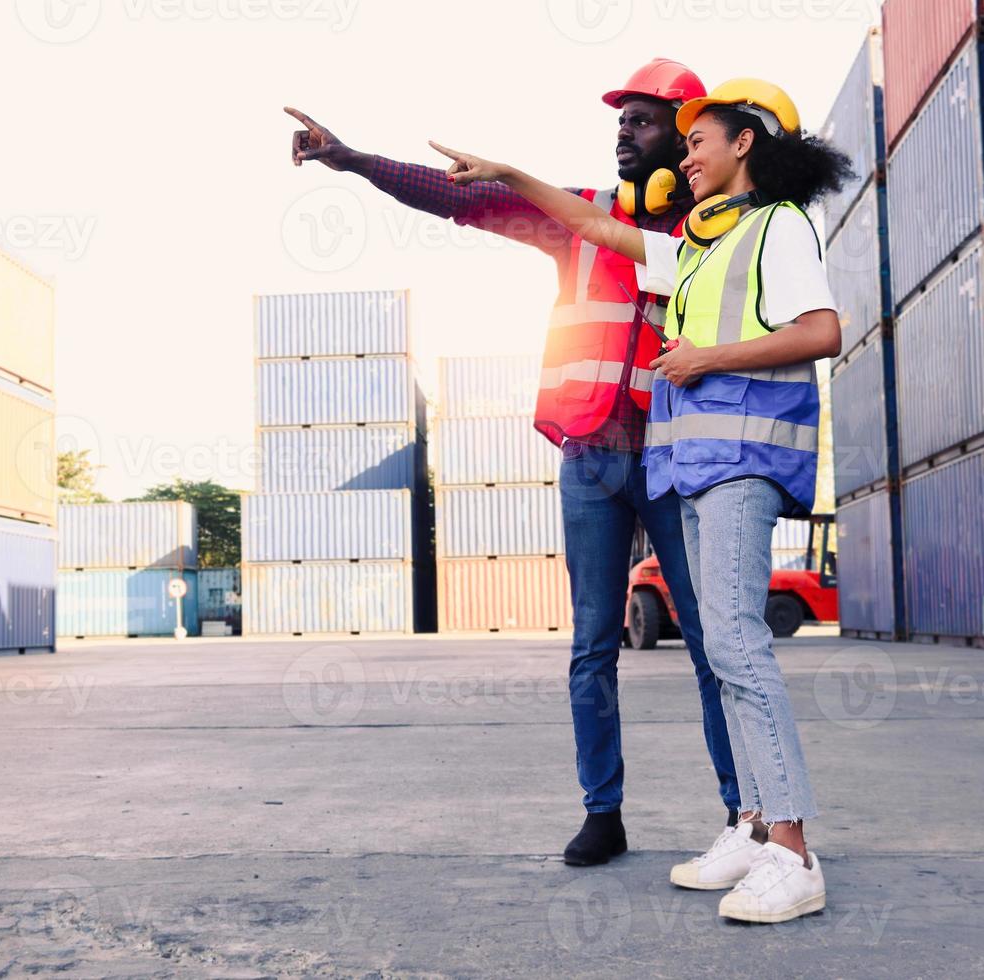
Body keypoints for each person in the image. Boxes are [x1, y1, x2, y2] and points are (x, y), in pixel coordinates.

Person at [285, 60, 743, 867]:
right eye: (619, 123)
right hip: (593, 461)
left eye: (641, 121)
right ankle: (603, 813)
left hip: (680, 466)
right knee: (594, 644)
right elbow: (465, 199)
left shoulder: (723, 231)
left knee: (713, 645)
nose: (623, 136)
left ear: (687, 131)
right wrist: (352, 160)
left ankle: (745, 816)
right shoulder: (581, 217)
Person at [429, 77, 852, 924]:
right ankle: (754, 823)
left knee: (734, 645)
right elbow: (591, 224)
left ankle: (794, 852)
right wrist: (506, 172)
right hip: (689, 467)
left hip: (741, 458)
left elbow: (822, 331)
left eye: (701, 142)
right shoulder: (695, 244)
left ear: (746, 145)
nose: (685, 156)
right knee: (727, 651)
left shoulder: (780, 226)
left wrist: (706, 359)